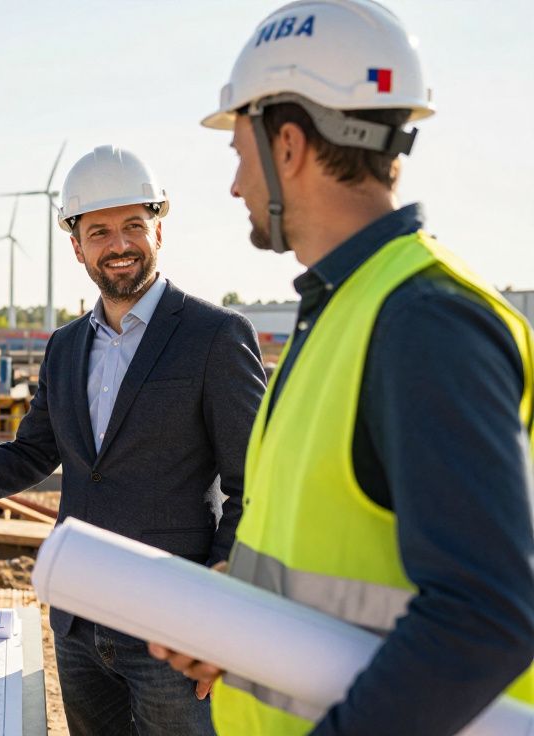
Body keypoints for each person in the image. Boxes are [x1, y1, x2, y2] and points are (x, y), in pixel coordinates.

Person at [148, 1, 534, 733]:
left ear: (288, 145)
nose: (235, 185)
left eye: (238, 152)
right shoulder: (346, 309)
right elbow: (338, 561)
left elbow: (485, 614)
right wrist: (238, 612)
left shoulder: (424, 322)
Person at [0, 146, 266, 735]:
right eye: (99, 231)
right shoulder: (65, 346)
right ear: (77, 246)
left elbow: (254, 487)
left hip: (175, 629)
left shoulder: (216, 335)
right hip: (80, 621)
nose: (119, 244)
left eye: (134, 225)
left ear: (159, 229)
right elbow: (31, 453)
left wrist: (220, 612)